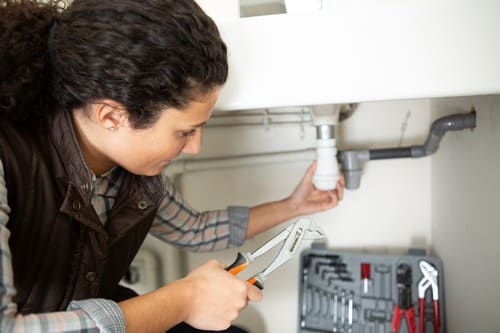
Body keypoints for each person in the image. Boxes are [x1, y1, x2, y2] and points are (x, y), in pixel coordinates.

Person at [0, 0, 344, 332]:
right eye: (184, 131)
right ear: (112, 116)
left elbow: (193, 229)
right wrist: (184, 299)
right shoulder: (8, 157)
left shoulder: (132, 174)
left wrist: (293, 206)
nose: (194, 147)